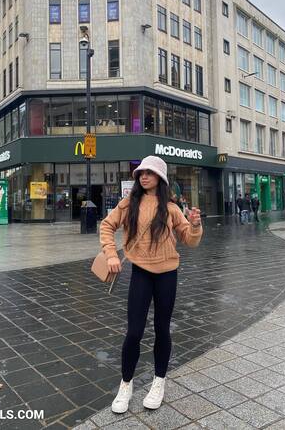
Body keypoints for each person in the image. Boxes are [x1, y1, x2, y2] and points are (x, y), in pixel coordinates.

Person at [100, 156, 203, 413]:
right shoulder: (128, 204)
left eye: (150, 172)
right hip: (140, 273)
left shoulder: (171, 208)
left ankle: (159, 381)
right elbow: (107, 225)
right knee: (134, 332)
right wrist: (111, 254)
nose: (144, 176)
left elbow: (190, 241)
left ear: (160, 177)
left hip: (167, 273)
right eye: (141, 173)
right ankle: (126, 384)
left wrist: (195, 225)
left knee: (162, 329)